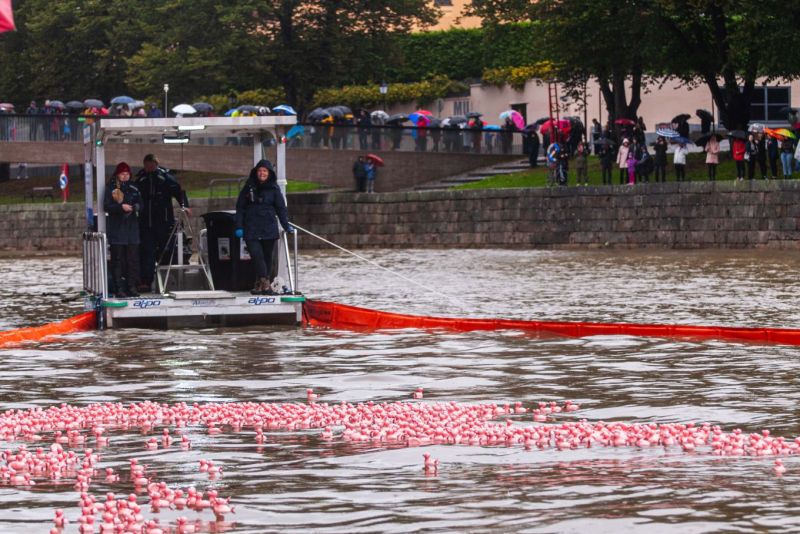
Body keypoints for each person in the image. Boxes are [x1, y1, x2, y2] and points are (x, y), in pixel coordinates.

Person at [234, 159, 293, 295]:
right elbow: (240, 207)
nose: (262, 173)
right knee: (257, 255)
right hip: (251, 228)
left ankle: (259, 284)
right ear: (256, 172)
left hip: (268, 229)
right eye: (260, 171)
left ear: (269, 173)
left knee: (267, 258)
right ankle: (265, 284)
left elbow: (281, 209)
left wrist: (286, 225)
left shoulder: (274, 189)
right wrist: (239, 226)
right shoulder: (248, 187)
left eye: (265, 171)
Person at [135, 154, 190, 292]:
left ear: (156, 164)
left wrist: (185, 205)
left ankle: (168, 280)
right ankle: (146, 281)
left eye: (151, 165)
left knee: (166, 252)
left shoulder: (166, 178)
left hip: (164, 223)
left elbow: (180, 192)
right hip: (146, 224)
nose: (149, 168)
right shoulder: (141, 179)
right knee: (147, 253)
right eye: (146, 165)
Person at [104, 162, 142, 298]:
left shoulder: (134, 187)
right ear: (117, 174)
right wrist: (121, 208)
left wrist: (136, 207)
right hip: (117, 230)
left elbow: (141, 203)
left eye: (127, 174)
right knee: (117, 260)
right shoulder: (111, 188)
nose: (125, 176)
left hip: (132, 230)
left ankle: (132, 287)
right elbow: (106, 206)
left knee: (133, 260)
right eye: (122, 174)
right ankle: (119, 288)